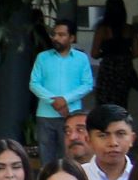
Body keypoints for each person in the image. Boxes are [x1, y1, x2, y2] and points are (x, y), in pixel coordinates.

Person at [28, 18, 94, 165]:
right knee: (46, 159)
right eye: (54, 34)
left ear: (72, 38)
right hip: (45, 114)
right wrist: (54, 101)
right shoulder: (42, 57)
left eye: (61, 35)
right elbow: (34, 84)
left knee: (70, 158)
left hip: (72, 115)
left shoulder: (81, 58)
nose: (56, 38)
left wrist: (65, 99)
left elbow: (88, 84)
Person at [81, 104, 137, 180]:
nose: (113, 143)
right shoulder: (77, 177)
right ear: (88, 140)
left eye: (120, 134)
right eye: (103, 135)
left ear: (132, 139)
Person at [92, 0, 138, 113]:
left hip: (108, 69)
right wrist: (124, 56)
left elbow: (94, 53)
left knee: (104, 105)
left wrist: (105, 54)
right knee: (121, 103)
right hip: (124, 69)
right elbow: (137, 52)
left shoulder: (102, 30)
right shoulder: (129, 29)